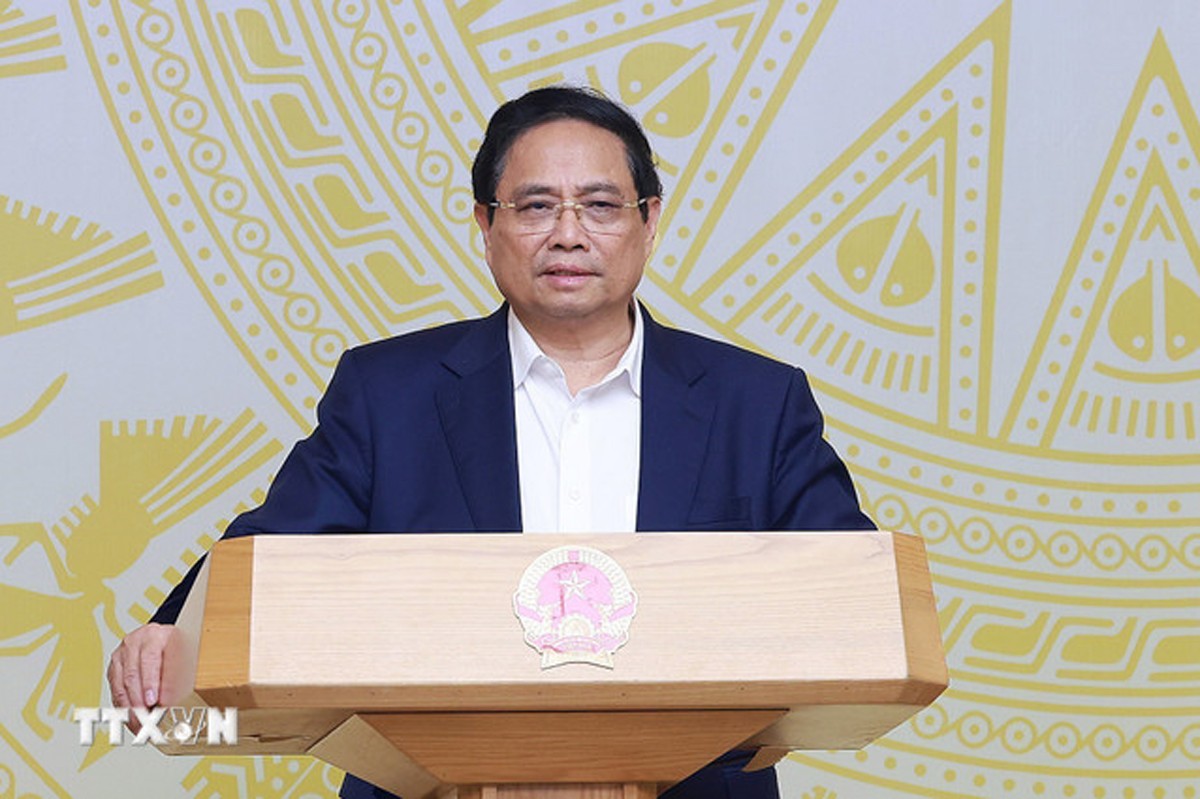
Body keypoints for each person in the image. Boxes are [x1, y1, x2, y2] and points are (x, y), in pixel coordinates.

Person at [107, 86, 873, 799]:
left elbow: (854, 596)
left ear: (649, 220)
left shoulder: (757, 402)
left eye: (600, 205)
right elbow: (276, 554)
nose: (568, 233)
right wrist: (170, 632)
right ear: (485, 224)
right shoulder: (389, 393)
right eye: (536, 205)